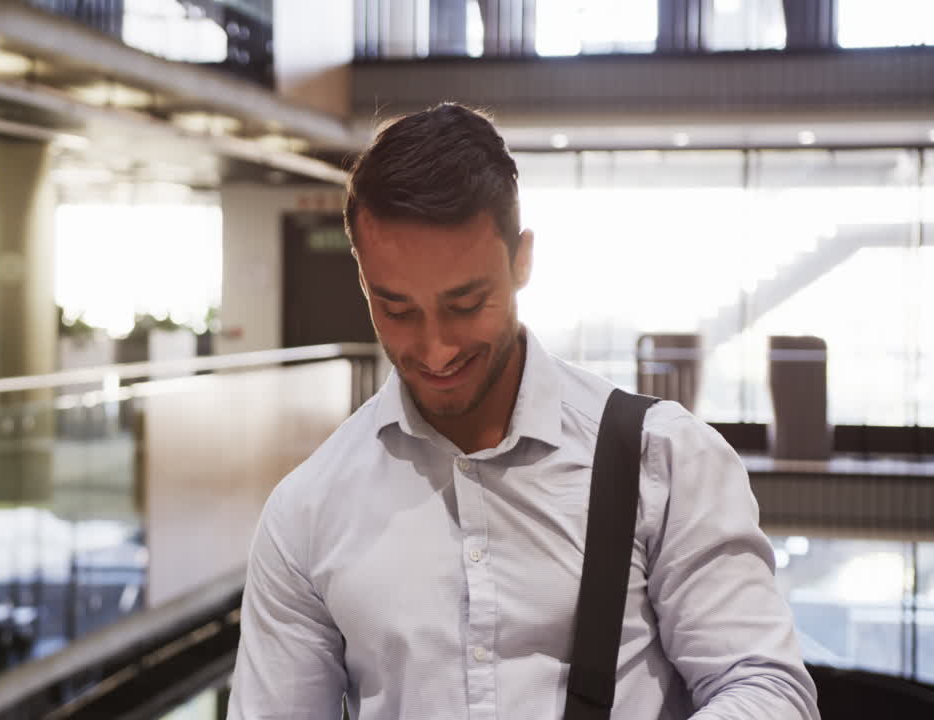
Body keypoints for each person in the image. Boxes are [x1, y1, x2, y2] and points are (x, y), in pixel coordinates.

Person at [226, 103, 819, 719]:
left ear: (522, 261)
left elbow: (765, 689)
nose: (435, 348)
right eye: (397, 309)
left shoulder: (664, 459)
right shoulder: (306, 513)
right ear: (363, 280)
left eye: (465, 303)